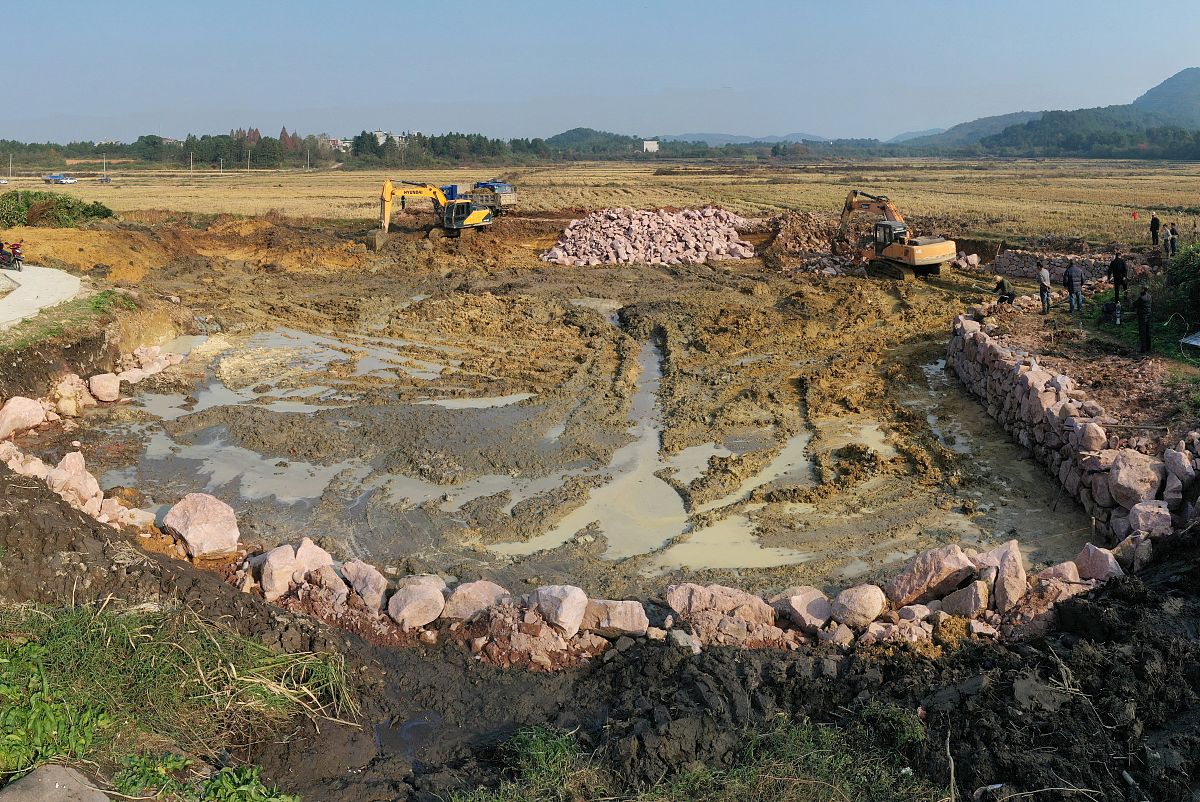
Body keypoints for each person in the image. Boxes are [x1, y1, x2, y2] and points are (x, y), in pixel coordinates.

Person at [1133, 286, 1152, 354]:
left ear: (1143, 290)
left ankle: (1143, 349)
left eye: (1141, 289)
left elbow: (1134, 304)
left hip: (1142, 317)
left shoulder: (1141, 298)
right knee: (1148, 332)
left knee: (1142, 333)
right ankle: (1149, 348)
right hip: (1149, 316)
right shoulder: (1149, 296)